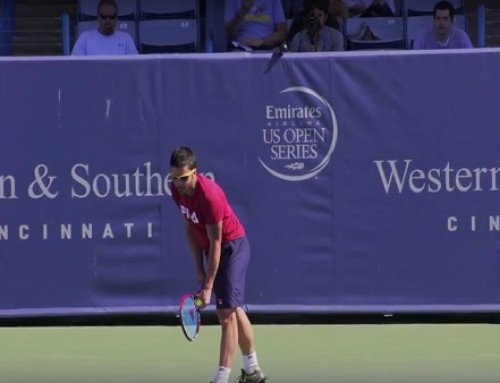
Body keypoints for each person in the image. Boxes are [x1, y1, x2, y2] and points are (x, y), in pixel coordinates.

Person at [169, 147, 266, 383]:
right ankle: (252, 371)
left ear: (195, 172)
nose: (179, 183)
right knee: (234, 309)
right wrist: (199, 271)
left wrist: (208, 286)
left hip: (232, 248)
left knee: (226, 313)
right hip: (212, 250)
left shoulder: (210, 196)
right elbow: (190, 229)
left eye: (183, 178)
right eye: (174, 178)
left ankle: (221, 378)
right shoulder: (176, 191)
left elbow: (216, 243)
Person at [72, 0, 137, 56]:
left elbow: (136, 66)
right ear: (98, 17)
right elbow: (75, 66)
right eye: (104, 16)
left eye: (112, 16)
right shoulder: (84, 39)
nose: (108, 20)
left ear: (117, 17)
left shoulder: (126, 39)